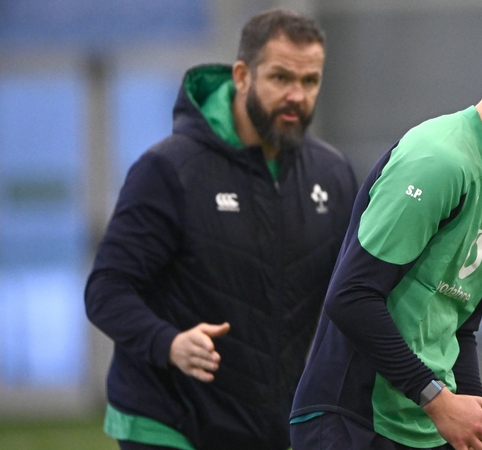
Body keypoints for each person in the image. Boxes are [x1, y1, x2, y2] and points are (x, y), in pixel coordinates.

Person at [289, 19, 482, 450]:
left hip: (424, 427)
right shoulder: (436, 159)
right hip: (351, 421)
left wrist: (480, 430)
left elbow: (460, 327)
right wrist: (437, 399)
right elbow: (351, 295)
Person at [84, 9, 358, 450]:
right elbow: (106, 290)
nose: (296, 96)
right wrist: (169, 343)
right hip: (168, 418)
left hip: (268, 425)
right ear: (243, 75)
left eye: (309, 82)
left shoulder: (333, 174)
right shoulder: (168, 169)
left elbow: (351, 293)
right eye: (281, 78)